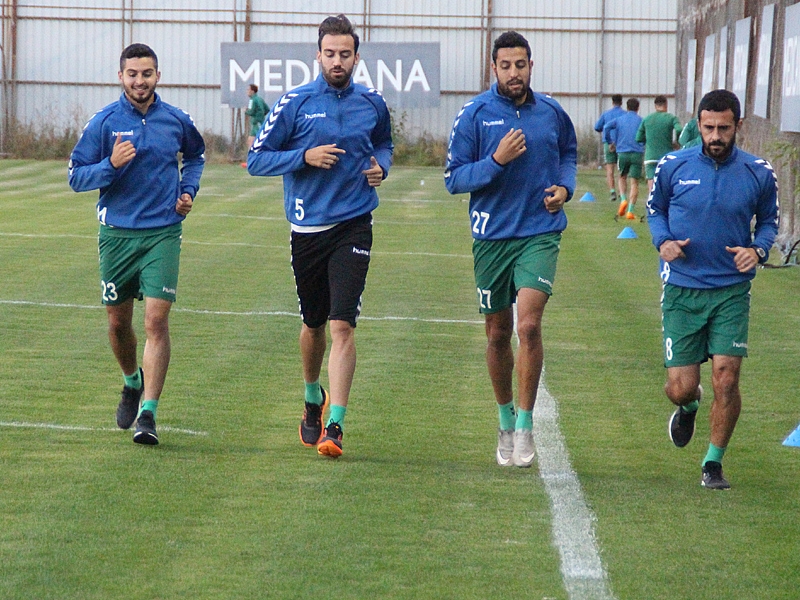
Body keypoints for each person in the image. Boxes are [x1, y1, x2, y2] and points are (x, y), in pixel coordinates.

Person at [247, 14, 393, 459]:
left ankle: (336, 425)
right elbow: (256, 159)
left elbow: (384, 144)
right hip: (307, 228)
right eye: (329, 53)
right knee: (313, 326)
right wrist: (303, 156)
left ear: (356, 57)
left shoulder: (372, 102)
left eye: (344, 54)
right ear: (318, 54)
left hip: (354, 223)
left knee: (342, 324)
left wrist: (380, 167)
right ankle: (313, 395)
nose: (337, 61)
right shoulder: (294, 103)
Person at [444, 31, 577, 468]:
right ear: (494, 67)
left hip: (540, 232)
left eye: (521, 65)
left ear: (531, 65)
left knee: (529, 326)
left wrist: (565, 188)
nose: (514, 73)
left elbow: (569, 155)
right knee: (498, 333)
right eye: (506, 66)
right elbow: (454, 179)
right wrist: (496, 160)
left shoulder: (552, 112)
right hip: (491, 239)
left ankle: (524, 425)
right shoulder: (475, 115)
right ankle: (504, 421)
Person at [68, 43, 206, 445]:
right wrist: (109, 165)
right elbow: (76, 176)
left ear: (158, 76)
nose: (139, 81)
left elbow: (196, 156)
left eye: (146, 74)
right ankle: (131, 380)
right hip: (116, 237)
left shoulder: (176, 120)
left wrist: (188, 191)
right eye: (132, 74)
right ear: (121, 76)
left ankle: (148, 414)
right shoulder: (104, 122)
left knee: (156, 322)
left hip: (163, 231)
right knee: (117, 324)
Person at [646, 89, 779, 490]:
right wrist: (662, 241)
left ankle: (712, 463)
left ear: (738, 126)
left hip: (731, 291)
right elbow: (655, 210)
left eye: (723, 128)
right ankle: (689, 405)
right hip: (683, 287)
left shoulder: (759, 171)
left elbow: (770, 221)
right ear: (698, 125)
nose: (715, 136)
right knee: (680, 387)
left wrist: (757, 249)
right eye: (708, 128)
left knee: (727, 377)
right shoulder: (673, 165)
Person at [604, 98, 644, 220]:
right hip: (637, 153)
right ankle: (630, 211)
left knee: (622, 177)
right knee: (634, 182)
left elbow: (606, 127)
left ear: (627, 108)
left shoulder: (620, 120)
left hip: (622, 153)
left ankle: (623, 199)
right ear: (638, 108)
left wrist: (610, 141)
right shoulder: (641, 121)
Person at [636, 95, 681, 193]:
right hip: (666, 156)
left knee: (651, 184)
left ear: (655, 106)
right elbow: (679, 129)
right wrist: (677, 142)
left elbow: (638, 138)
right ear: (666, 105)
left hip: (650, 156)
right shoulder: (671, 118)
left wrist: (648, 141)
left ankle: (652, 204)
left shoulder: (647, 119)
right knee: (666, 182)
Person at [594, 94, 625, 201]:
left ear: (612, 102)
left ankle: (612, 192)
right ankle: (622, 193)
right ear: (621, 102)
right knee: (621, 170)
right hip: (621, 144)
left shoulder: (606, 114)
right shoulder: (624, 114)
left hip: (608, 144)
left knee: (610, 169)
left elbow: (597, 127)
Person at [241, 84, 270, 167]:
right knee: (251, 141)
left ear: (252, 91)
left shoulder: (253, 100)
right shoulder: (260, 99)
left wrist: (246, 111)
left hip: (257, 123)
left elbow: (251, 111)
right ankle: (251, 161)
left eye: (248, 90)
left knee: (257, 142)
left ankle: (257, 161)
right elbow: (267, 109)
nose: (247, 91)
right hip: (258, 123)